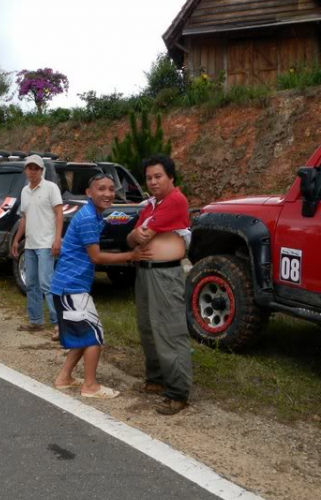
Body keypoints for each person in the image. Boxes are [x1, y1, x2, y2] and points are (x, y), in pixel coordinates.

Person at [51, 172, 149, 399]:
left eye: (110, 189)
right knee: (94, 335)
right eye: (101, 189)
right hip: (71, 287)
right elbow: (96, 257)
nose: (107, 193)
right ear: (89, 192)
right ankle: (90, 386)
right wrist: (131, 255)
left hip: (71, 286)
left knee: (84, 334)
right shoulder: (87, 217)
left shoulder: (94, 215)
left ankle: (64, 378)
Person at [127, 154, 192, 415]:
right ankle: (156, 378)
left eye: (158, 176)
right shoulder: (151, 204)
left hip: (165, 275)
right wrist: (135, 235)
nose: (153, 182)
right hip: (145, 272)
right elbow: (132, 238)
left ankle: (178, 391)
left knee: (169, 330)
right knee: (147, 328)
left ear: (170, 177)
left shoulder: (175, 199)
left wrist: (137, 235)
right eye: (149, 178)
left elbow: (143, 235)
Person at [11, 154, 63, 339]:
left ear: (42, 171)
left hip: (46, 244)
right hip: (30, 244)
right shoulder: (25, 191)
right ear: (25, 170)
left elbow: (59, 215)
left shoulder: (51, 188)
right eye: (29, 168)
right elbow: (24, 218)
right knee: (31, 283)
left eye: (36, 168)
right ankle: (36, 321)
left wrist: (57, 239)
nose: (32, 172)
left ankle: (58, 324)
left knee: (46, 283)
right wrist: (17, 239)